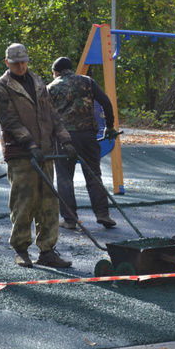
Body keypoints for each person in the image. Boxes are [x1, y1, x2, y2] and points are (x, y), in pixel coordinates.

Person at [0, 43, 78, 268]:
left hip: (45, 151)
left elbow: (52, 114)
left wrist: (65, 139)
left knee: (49, 203)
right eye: (15, 63)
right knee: (24, 202)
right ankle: (21, 249)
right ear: (7, 63)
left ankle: (47, 251)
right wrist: (29, 143)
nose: (21, 66)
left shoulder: (38, 82)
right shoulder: (2, 87)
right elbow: (9, 121)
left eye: (23, 62)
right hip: (21, 153)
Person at [47, 57, 121, 230]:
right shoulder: (87, 81)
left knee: (65, 178)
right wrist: (109, 126)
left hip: (63, 138)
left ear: (55, 72)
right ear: (71, 69)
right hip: (88, 135)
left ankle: (70, 219)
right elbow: (105, 102)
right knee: (94, 174)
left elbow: (45, 116)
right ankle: (103, 214)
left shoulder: (51, 87)